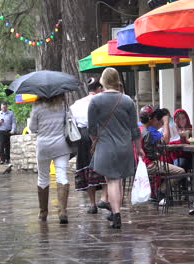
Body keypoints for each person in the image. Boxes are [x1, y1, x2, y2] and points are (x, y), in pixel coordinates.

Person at [88, 67, 143, 229]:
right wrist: (138, 147)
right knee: (117, 179)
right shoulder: (127, 101)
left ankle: (117, 214)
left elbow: (91, 128)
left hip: (105, 146)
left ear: (103, 81)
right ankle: (114, 210)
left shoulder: (96, 101)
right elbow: (135, 129)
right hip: (125, 147)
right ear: (117, 80)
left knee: (111, 180)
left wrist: (94, 141)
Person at [29, 94, 73, 224]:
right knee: (61, 175)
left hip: (43, 146)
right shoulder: (63, 105)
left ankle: (43, 213)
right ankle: (62, 211)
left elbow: (32, 128)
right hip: (61, 145)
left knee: (43, 177)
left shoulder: (37, 107)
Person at [70, 77, 109, 214]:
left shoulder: (76, 104)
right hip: (98, 134)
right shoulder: (102, 101)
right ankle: (105, 198)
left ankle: (92, 204)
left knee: (86, 168)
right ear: (99, 88)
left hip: (82, 136)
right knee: (104, 167)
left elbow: (72, 120)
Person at [139, 106, 185, 205]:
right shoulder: (148, 132)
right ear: (151, 119)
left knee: (168, 164)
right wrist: (159, 153)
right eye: (155, 118)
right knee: (180, 171)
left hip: (140, 163)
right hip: (149, 164)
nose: (156, 120)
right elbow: (153, 153)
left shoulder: (140, 128)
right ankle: (160, 191)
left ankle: (159, 192)